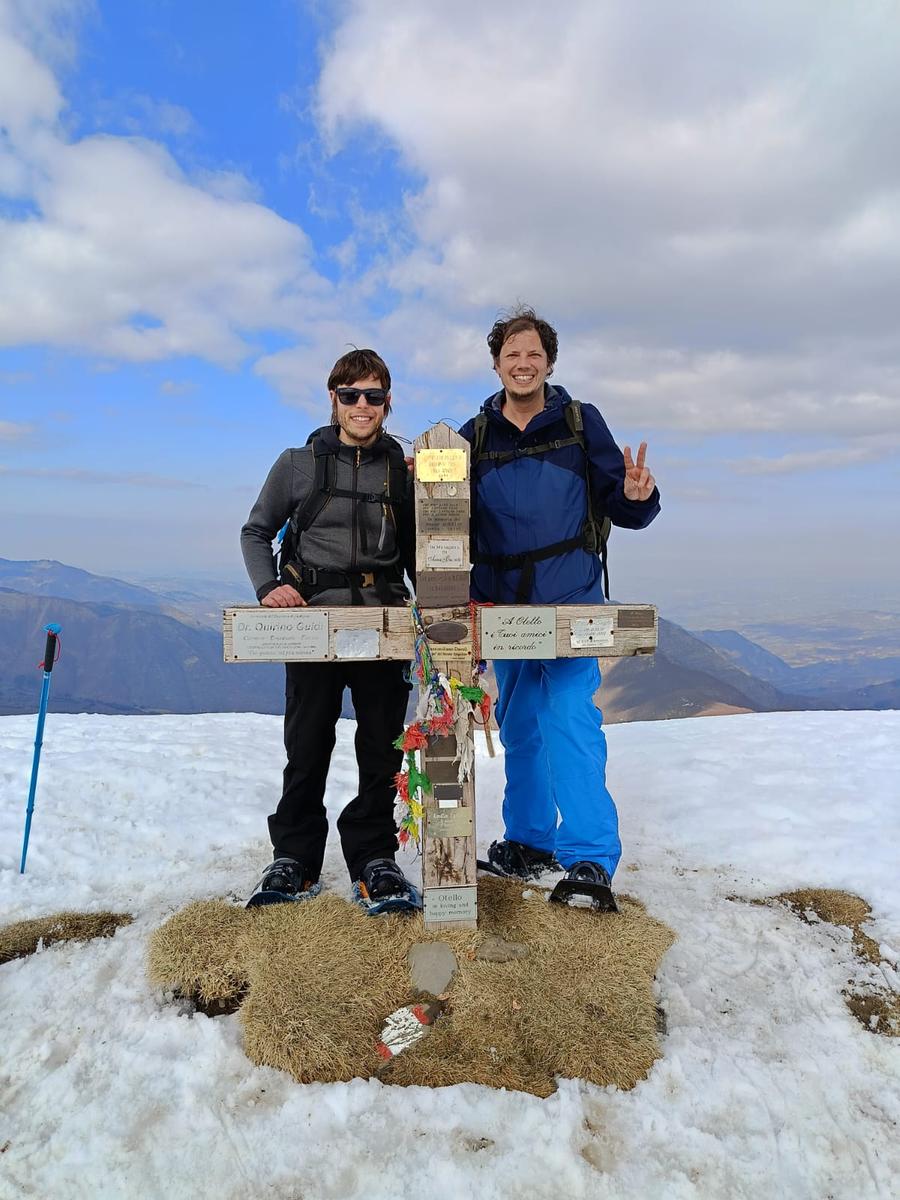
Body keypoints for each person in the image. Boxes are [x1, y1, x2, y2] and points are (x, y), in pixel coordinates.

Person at [459, 307, 660, 900]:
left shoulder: (579, 422)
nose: (523, 364)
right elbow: (449, 511)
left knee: (569, 718)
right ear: (496, 364)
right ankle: (528, 841)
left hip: (572, 602)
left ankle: (590, 858)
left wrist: (635, 495)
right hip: (503, 610)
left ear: (549, 362)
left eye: (534, 354)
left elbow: (621, 506)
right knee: (520, 723)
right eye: (512, 354)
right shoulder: (475, 435)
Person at [240, 348, 417, 909]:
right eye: (350, 394)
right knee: (307, 743)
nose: (362, 405)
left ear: (387, 402)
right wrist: (268, 587)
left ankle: (375, 858)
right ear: (333, 399)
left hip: (384, 623)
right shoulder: (298, 463)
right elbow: (255, 531)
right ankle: (294, 859)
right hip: (311, 621)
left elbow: (419, 550)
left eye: (373, 395)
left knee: (382, 748)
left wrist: (439, 612)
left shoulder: (403, 470)